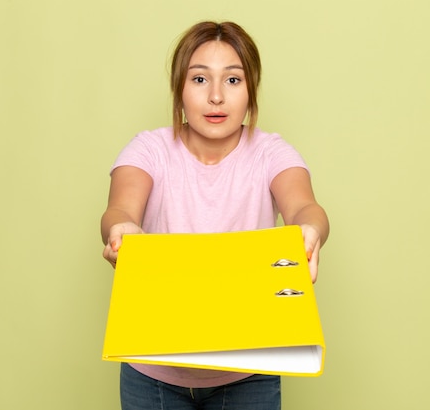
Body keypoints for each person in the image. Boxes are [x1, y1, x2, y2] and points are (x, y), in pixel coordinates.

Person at [101, 21, 329, 410]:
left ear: (252, 89)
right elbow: (120, 209)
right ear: (179, 88)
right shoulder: (149, 148)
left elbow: (305, 206)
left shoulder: (271, 152)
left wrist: (310, 229)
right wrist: (122, 228)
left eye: (234, 80)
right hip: (153, 368)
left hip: (249, 369)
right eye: (200, 79)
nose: (217, 97)